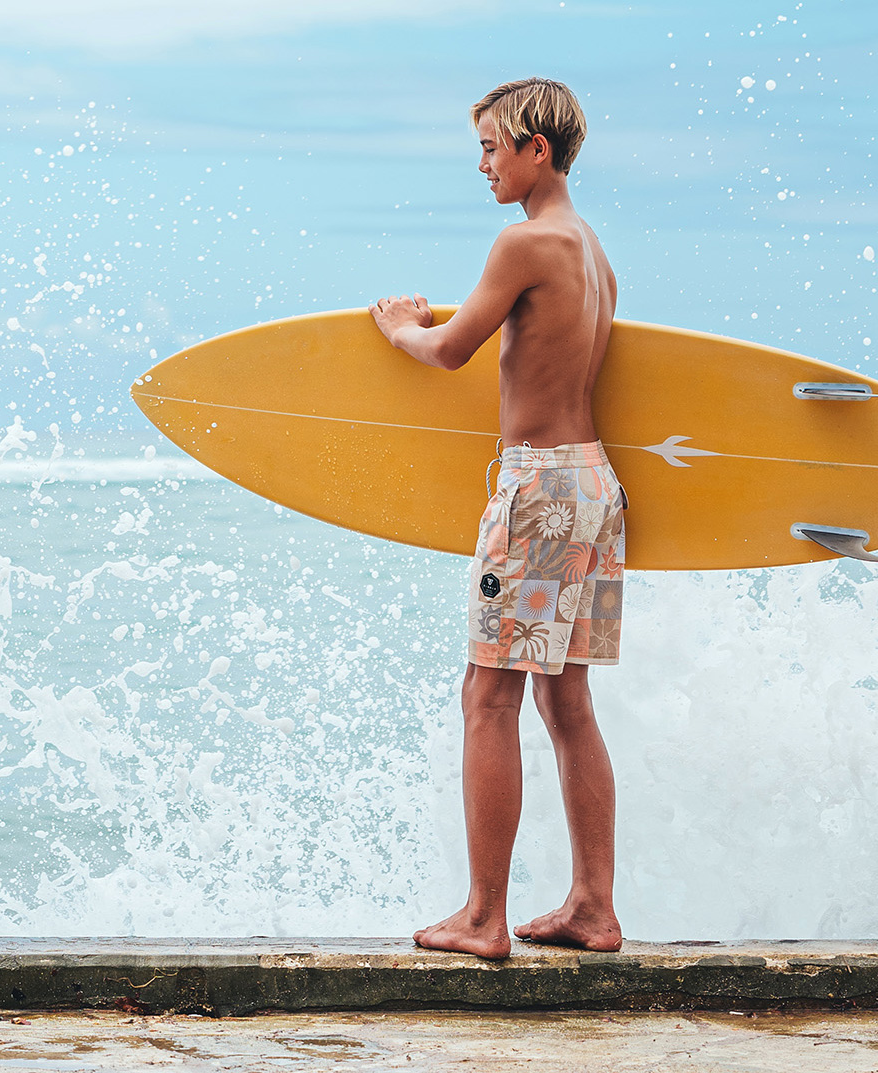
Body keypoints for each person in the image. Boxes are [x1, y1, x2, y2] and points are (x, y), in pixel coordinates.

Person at [369, 77, 625, 959]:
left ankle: (483, 917)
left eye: (490, 147)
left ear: (535, 149)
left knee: (488, 695)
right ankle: (594, 904)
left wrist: (400, 326)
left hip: (539, 491)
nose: (481, 164)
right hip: (594, 484)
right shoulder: (593, 250)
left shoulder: (525, 244)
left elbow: (449, 350)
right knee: (567, 701)